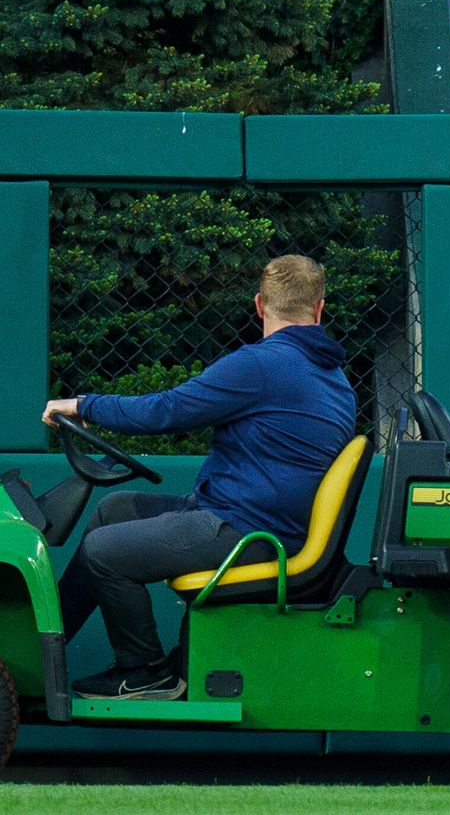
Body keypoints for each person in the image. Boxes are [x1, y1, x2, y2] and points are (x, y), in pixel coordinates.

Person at [45, 255, 355, 700]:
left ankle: (145, 670)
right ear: (320, 309)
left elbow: (167, 411)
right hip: (255, 519)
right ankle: (46, 650)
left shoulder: (263, 366)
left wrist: (82, 405)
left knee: (101, 551)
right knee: (113, 509)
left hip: (250, 532)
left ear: (260, 305)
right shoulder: (332, 376)